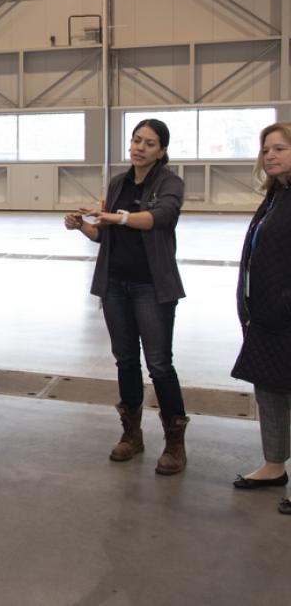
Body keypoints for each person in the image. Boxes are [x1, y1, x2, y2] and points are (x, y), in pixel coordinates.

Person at [64, 118, 189, 474]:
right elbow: (105, 235)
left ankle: (175, 445)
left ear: (161, 150)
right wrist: (83, 226)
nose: (139, 148)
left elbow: (161, 218)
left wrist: (117, 217)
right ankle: (132, 435)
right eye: (136, 140)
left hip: (152, 286)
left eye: (149, 143)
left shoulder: (170, 183)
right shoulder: (118, 182)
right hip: (115, 285)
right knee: (125, 361)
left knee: (160, 364)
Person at [231, 122, 291, 514]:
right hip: (265, 315)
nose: (270, 155)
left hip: (285, 313)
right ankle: (274, 464)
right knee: (268, 389)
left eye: (280, 148)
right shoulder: (276, 195)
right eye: (266, 149)